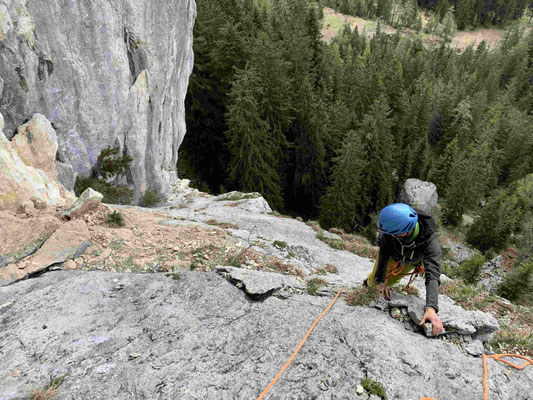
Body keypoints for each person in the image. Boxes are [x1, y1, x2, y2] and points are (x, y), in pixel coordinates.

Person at [365, 203, 444, 335]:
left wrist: (431, 308)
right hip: (393, 256)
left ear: (405, 231)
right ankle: (366, 286)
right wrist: (380, 281)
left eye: (395, 234)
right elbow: (384, 252)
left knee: (389, 286)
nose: (390, 236)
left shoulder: (430, 241)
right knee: (374, 285)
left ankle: (378, 286)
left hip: (411, 262)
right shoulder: (393, 228)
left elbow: (433, 274)